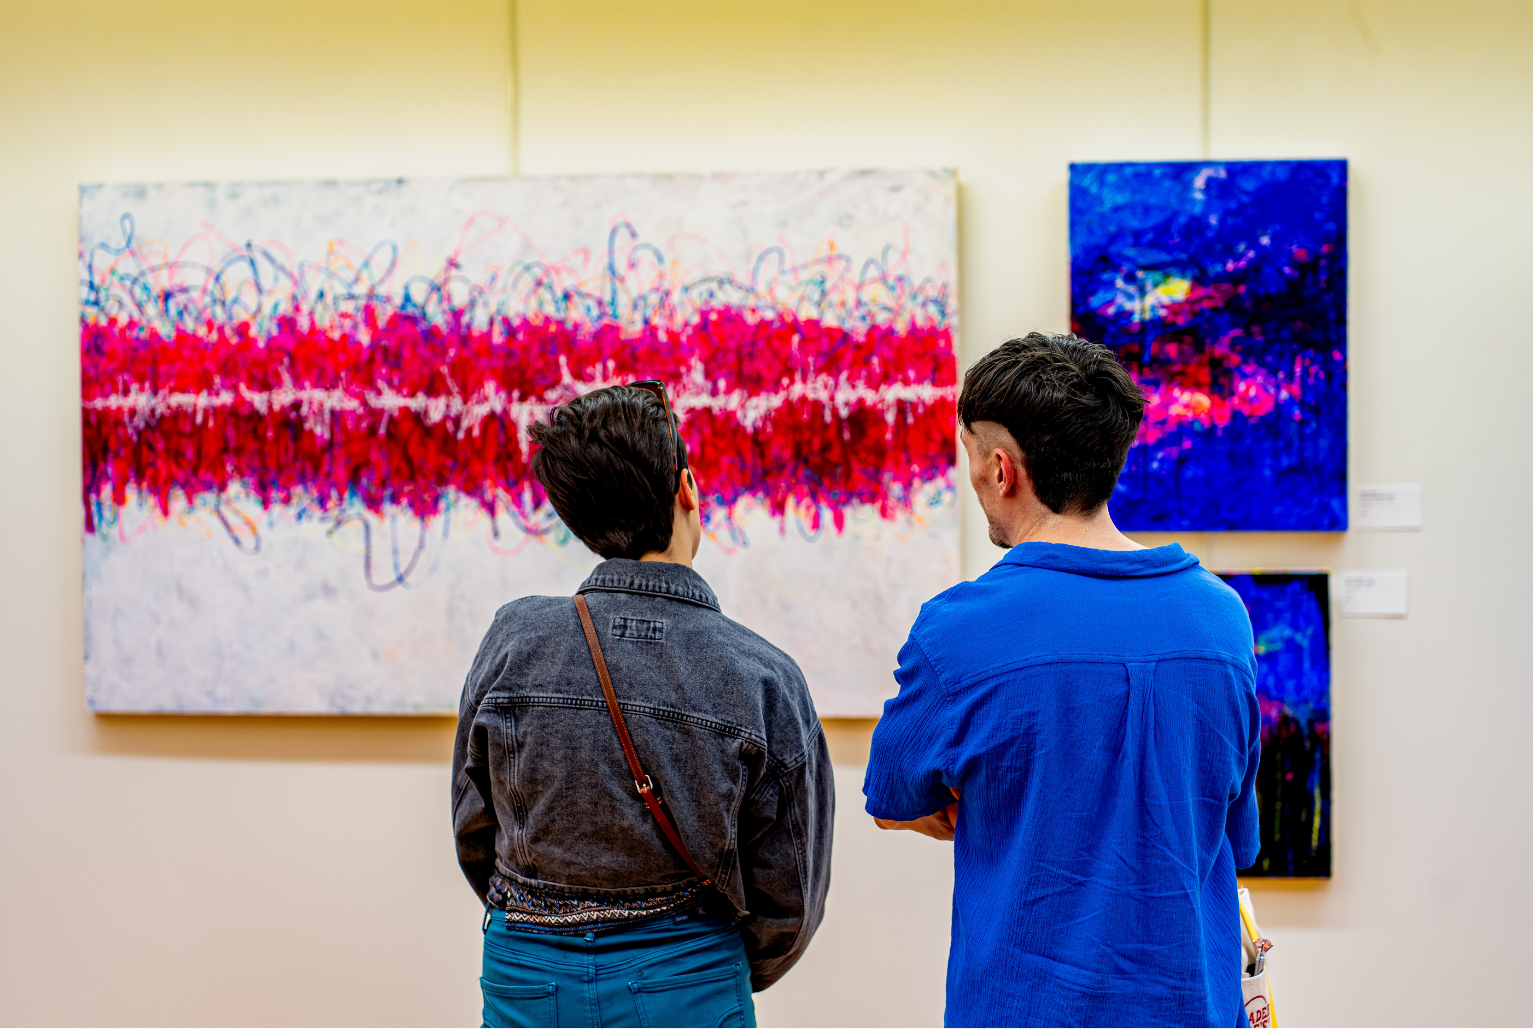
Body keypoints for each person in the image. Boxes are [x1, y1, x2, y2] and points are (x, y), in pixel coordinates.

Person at [864, 333, 1261, 1029]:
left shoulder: (955, 631)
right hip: (1192, 1008)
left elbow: (892, 799)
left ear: (999, 466)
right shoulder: (1221, 620)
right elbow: (1235, 831)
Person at [453, 383, 833, 1029]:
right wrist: (701, 962)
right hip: (688, 972)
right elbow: (789, 891)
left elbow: (473, 826)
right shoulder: (762, 673)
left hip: (527, 970)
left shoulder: (514, 639)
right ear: (687, 487)